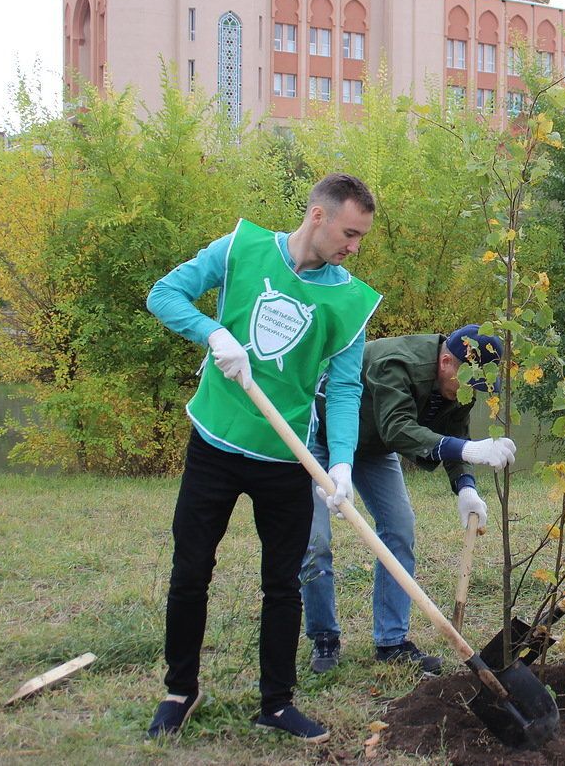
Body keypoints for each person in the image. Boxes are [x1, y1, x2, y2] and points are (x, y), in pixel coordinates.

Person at [144, 174, 381, 743]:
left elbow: (345, 389)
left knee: (283, 583)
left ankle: (275, 703)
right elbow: (164, 295)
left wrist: (341, 463)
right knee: (191, 570)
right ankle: (181, 689)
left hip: (287, 458)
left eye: (361, 238)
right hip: (215, 443)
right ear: (318, 216)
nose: (354, 247)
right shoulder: (241, 248)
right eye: (349, 233)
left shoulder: (349, 302)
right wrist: (211, 333)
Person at [301, 325, 515, 674]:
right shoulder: (395, 361)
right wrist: (469, 450)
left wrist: (465, 486)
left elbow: (455, 430)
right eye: (471, 383)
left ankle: (391, 642)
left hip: (372, 447)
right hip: (320, 438)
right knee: (316, 541)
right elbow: (397, 428)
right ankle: (324, 638)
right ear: (447, 361)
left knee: (400, 528)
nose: (472, 394)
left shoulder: (457, 385)